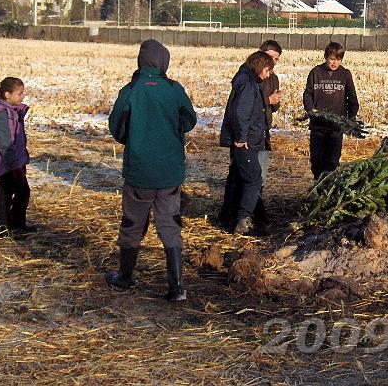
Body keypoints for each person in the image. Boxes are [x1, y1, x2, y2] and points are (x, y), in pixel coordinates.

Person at [105, 39, 197, 301]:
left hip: (139, 172)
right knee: (170, 225)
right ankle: (176, 286)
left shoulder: (130, 90)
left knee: (132, 224)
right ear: (164, 62)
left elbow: (117, 128)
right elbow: (190, 120)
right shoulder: (174, 89)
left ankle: (124, 278)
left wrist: (136, 139)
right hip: (169, 173)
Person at [218, 40, 282, 231]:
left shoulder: (252, 80)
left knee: (244, 178)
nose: (269, 74)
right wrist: (241, 138)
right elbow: (241, 113)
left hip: (255, 136)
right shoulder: (247, 82)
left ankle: (241, 217)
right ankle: (242, 219)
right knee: (252, 178)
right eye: (268, 68)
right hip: (247, 141)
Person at [303, 41, 359, 180]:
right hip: (318, 125)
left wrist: (351, 117)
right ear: (326, 57)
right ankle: (318, 183)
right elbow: (308, 94)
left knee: (332, 161)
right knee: (316, 160)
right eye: (332, 59)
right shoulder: (316, 72)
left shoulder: (345, 74)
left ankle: (328, 186)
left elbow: (352, 97)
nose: (335, 63)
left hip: (336, 126)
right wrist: (311, 110)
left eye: (338, 59)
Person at [0, 77, 35, 236]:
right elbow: (5, 144)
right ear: (8, 95)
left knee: (22, 192)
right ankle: (2, 230)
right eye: (20, 93)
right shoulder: (1, 114)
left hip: (15, 162)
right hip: (6, 164)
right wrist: (14, 165)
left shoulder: (12, 111)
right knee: (6, 195)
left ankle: (17, 225)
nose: (23, 96)